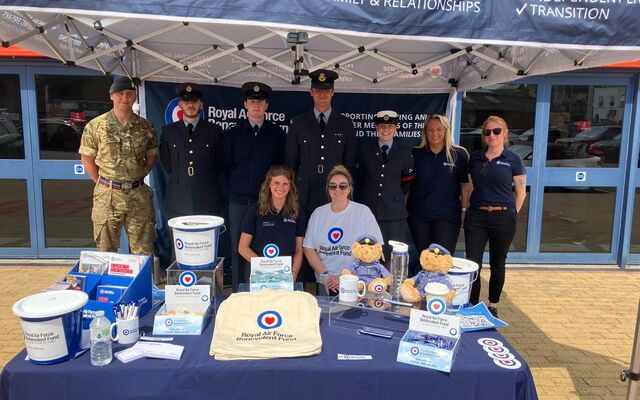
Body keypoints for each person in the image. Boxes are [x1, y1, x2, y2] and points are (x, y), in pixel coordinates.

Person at [285, 69, 357, 283]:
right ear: (311, 93)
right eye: (318, 90)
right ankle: (307, 288)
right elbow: (291, 162)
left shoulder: (345, 124)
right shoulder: (298, 122)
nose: (322, 94)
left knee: (332, 241)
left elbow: (349, 163)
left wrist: (342, 191)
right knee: (307, 240)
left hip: (334, 193)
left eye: (326, 90)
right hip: (305, 192)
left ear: (333, 92)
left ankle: (332, 283)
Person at [79, 77, 157, 255]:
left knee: (143, 249)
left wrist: (140, 174)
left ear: (135, 96)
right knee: (106, 250)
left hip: (138, 195)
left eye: (129, 94)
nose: (125, 98)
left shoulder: (146, 127)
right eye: (120, 94)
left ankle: (141, 283)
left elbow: (152, 156)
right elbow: (87, 159)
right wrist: (103, 182)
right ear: (111, 96)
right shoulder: (96, 126)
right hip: (108, 196)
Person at [224, 82, 286, 291]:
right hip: (239, 201)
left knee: (263, 249)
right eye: (252, 101)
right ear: (245, 104)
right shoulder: (233, 134)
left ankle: (260, 292)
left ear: (267, 105)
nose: (256, 105)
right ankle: (236, 293)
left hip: (265, 204)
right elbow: (226, 166)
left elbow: (281, 168)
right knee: (237, 249)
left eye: (260, 102)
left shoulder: (277, 135)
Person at [464, 116, 527, 318]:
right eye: (487, 132)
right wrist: (465, 210)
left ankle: (492, 304)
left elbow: (521, 191)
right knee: (473, 263)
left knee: (497, 263)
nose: (492, 135)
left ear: (505, 133)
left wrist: (512, 214)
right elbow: (469, 187)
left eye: (496, 131)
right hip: (477, 217)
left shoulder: (513, 159)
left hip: (503, 217)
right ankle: (472, 303)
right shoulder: (474, 158)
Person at [303, 165, 383, 294]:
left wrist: (346, 276)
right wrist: (325, 275)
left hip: (356, 281)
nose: (337, 189)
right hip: (325, 282)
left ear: (349, 189)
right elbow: (308, 248)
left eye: (343, 186)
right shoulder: (318, 213)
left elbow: (375, 250)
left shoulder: (362, 212)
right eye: (333, 186)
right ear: (328, 189)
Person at [407, 114, 470, 271]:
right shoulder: (415, 154)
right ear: (425, 132)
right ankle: (424, 293)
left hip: (447, 217)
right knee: (425, 260)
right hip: (419, 216)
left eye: (439, 129)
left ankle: (440, 294)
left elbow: (466, 186)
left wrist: (464, 210)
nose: (435, 133)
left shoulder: (459, 154)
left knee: (442, 261)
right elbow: (407, 186)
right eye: (430, 130)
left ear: (446, 131)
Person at [354, 110, 414, 263]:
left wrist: (393, 196)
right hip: (368, 209)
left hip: (393, 213)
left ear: (395, 128)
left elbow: (407, 181)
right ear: (376, 128)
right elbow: (358, 179)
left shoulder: (405, 152)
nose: (385, 130)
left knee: (392, 256)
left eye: (389, 126)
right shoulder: (364, 150)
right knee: (367, 252)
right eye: (381, 126)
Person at [159, 83, 224, 220]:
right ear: (180, 105)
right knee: (179, 240)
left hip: (207, 197)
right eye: (186, 101)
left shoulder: (214, 131)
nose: (190, 105)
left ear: (201, 104)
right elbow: (166, 162)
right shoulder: (169, 131)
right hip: (178, 197)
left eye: (194, 101)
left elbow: (219, 163)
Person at [238, 166, 306, 280]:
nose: (280, 187)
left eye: (285, 184)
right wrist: (263, 267)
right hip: (258, 269)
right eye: (276, 183)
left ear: (290, 187)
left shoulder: (297, 212)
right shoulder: (255, 211)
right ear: (269, 184)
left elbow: (299, 249)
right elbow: (242, 247)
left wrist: (293, 273)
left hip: (286, 270)